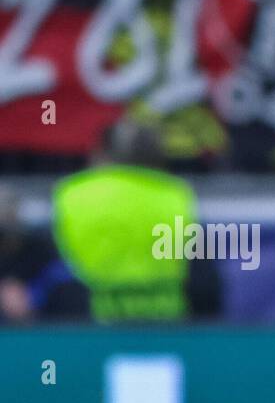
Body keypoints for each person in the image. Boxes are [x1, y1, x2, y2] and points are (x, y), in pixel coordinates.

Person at [51, 121, 222, 323]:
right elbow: (204, 283)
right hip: (167, 327)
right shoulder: (177, 195)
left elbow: (50, 268)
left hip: (83, 325)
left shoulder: (71, 193)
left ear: (100, 153)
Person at [0, 186, 90, 324]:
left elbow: (60, 275)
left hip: (44, 323)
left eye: (8, 216)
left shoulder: (40, 248)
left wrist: (32, 296)